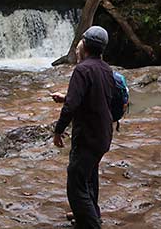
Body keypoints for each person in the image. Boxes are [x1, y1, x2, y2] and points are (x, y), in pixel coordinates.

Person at [50, 26, 115, 229]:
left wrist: (58, 130)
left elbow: (71, 107)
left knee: (76, 184)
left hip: (87, 136)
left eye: (80, 41)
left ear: (84, 44)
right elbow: (97, 98)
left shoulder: (82, 69)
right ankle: (91, 213)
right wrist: (67, 97)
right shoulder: (106, 69)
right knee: (89, 175)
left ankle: (91, 223)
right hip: (103, 134)